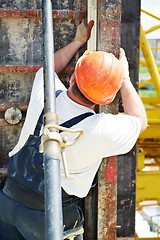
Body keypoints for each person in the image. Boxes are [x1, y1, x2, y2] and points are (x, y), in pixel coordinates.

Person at [0, 28, 147, 240]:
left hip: (7, 204)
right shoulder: (100, 128)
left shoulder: (45, 94)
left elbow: (48, 68)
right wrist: (123, 77)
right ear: (105, 100)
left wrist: (78, 41)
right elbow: (140, 121)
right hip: (47, 219)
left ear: (72, 78)